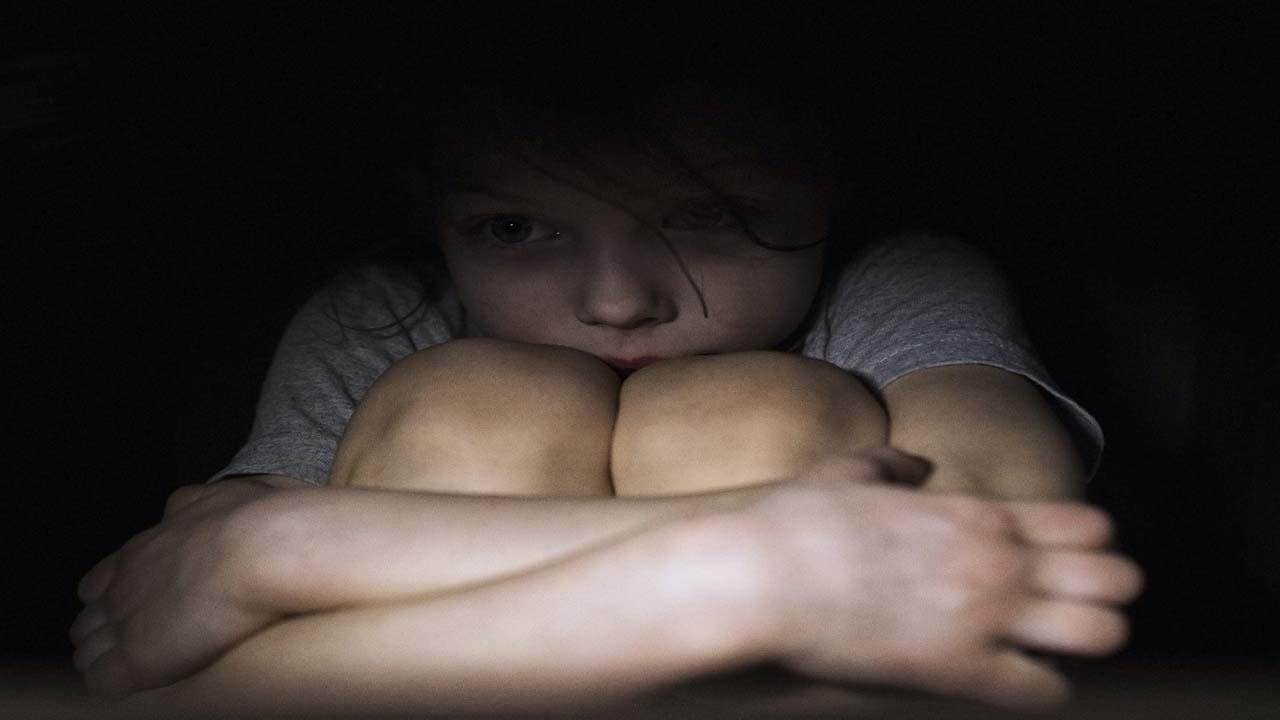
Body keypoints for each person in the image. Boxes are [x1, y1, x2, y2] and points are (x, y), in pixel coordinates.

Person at [69, 33, 1141, 717]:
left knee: (745, 405)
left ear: (829, 197)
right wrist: (752, 578)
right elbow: (176, 681)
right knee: (481, 398)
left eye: (712, 219)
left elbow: (1007, 546)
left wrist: (286, 549)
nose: (619, 301)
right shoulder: (380, 313)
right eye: (516, 229)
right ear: (434, 217)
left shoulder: (894, 281)